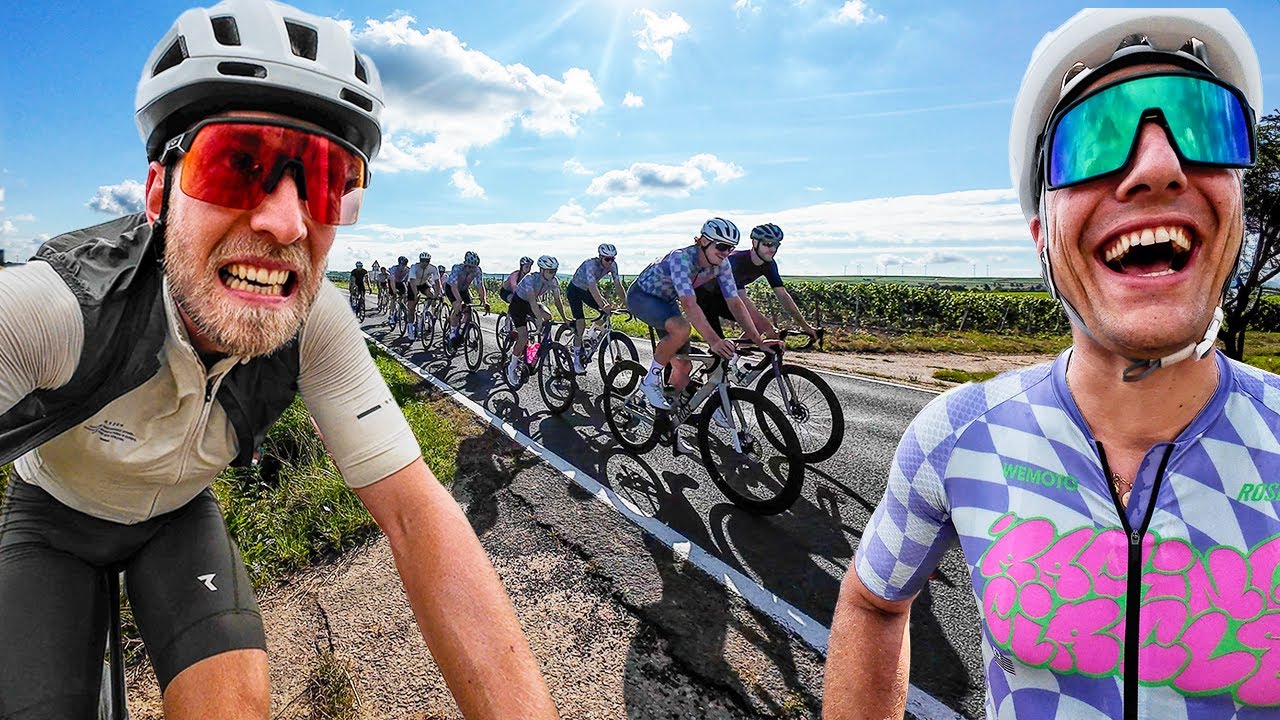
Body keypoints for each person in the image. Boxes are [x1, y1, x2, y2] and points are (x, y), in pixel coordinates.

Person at [0, 1, 558, 718]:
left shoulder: (316, 321)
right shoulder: (56, 308)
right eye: (236, 167)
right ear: (157, 193)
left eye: (327, 181)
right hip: (52, 520)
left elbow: (420, 516)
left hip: (175, 517)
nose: (286, 222)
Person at [824, 10, 1276, 720]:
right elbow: (873, 603)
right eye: (1092, 139)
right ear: (1042, 237)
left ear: (1241, 207)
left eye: (1206, 125)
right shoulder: (957, 435)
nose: (1159, 166)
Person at [626, 218, 772, 409]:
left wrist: (758, 340)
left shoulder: (723, 264)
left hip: (667, 302)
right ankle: (649, 381)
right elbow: (689, 304)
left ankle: (669, 411)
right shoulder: (682, 258)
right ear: (703, 241)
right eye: (721, 246)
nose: (726, 252)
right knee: (681, 328)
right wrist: (714, 341)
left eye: (731, 248)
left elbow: (735, 303)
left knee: (684, 366)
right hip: (642, 296)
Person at [694, 224, 818, 342]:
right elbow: (742, 300)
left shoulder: (769, 264)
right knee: (720, 345)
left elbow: (783, 296)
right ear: (754, 243)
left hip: (725, 299)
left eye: (776, 245)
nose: (773, 249)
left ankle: (733, 359)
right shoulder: (735, 261)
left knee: (755, 328)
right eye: (768, 244)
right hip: (702, 298)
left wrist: (805, 326)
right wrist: (769, 329)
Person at [505, 256, 570, 386]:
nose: (553, 274)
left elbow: (558, 301)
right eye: (550, 271)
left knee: (548, 316)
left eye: (555, 271)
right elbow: (532, 300)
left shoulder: (554, 281)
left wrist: (565, 319)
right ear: (541, 270)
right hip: (519, 304)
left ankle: (542, 341)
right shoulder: (530, 278)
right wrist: (538, 319)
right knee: (523, 337)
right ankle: (511, 367)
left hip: (531, 303)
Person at [568, 244, 627, 374]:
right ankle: (576, 360)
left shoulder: (613, 265)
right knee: (581, 323)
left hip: (587, 291)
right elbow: (593, 287)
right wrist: (603, 305)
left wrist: (628, 304)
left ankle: (590, 336)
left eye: (613, 259)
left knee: (605, 313)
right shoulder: (590, 264)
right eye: (607, 259)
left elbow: (618, 285)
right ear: (600, 257)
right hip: (575, 290)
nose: (610, 262)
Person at [444, 251, 487, 347]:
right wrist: (459, 301)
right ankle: (452, 333)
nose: (472, 269)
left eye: (474, 267)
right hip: (451, 288)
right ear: (465, 264)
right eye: (470, 267)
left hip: (463, 290)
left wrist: (484, 301)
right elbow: (454, 287)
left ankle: (460, 326)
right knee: (457, 306)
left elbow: (480, 286)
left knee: (468, 311)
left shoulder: (477, 270)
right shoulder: (457, 268)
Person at [406, 251, 441, 341]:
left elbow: (437, 282)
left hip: (423, 284)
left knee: (432, 294)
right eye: (423, 261)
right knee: (412, 307)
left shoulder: (433, 268)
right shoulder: (414, 267)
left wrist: (437, 294)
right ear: (420, 260)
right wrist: (415, 294)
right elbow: (412, 282)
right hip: (413, 284)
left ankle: (424, 313)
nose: (425, 263)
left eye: (427, 261)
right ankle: (410, 328)